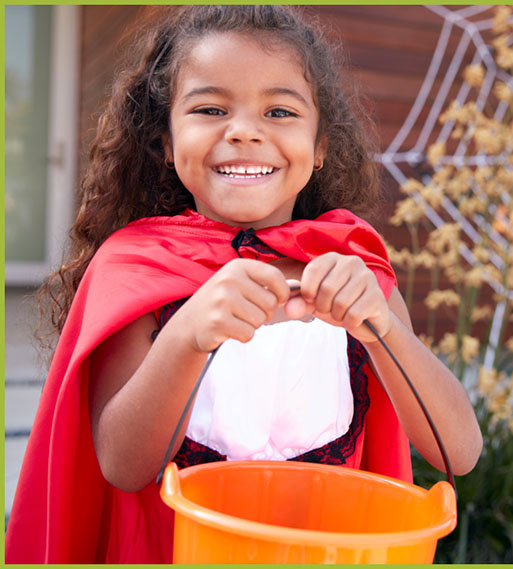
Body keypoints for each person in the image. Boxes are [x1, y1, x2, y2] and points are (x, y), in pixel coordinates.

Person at [5, 5, 482, 563]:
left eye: (279, 111)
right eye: (210, 108)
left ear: (321, 145)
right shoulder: (135, 266)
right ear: (165, 139)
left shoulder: (355, 264)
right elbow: (122, 464)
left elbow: (459, 450)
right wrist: (187, 335)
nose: (245, 131)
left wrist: (381, 329)